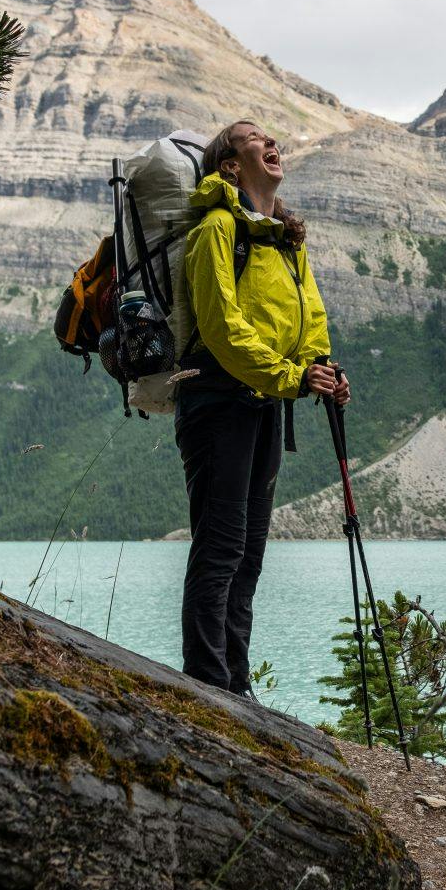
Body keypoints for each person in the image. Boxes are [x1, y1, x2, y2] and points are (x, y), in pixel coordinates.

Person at [175, 119, 348, 695]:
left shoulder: (285, 241)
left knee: (247, 555)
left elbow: (310, 320)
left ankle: (235, 686)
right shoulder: (216, 230)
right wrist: (292, 377)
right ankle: (206, 684)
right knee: (221, 545)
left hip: (266, 402)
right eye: (253, 139)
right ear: (229, 164)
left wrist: (321, 371)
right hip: (218, 400)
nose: (270, 143)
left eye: (272, 137)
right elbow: (222, 327)